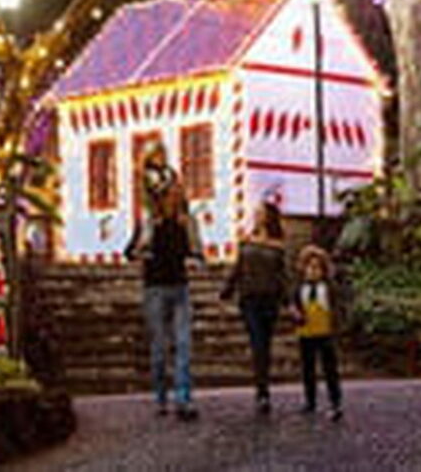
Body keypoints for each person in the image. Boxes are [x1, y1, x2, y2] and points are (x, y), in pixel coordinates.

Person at [124, 141, 204, 421]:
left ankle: (183, 399)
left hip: (179, 287)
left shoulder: (184, 224)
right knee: (159, 348)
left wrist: (195, 256)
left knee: (184, 346)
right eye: (171, 195)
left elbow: (194, 252)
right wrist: (140, 251)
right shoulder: (149, 224)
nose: (176, 199)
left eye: (177, 195)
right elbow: (129, 253)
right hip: (155, 288)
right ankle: (160, 396)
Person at [220, 200, 289, 414]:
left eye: (260, 213)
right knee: (257, 342)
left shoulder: (278, 244)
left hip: (269, 298)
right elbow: (239, 267)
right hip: (249, 298)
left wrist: (289, 301)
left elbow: (282, 276)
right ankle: (262, 392)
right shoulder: (247, 240)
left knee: (265, 345)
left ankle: (263, 387)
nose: (257, 216)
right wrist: (228, 289)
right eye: (256, 212)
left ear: (269, 216)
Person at [292, 244, 343, 421]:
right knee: (308, 368)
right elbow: (295, 306)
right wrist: (296, 314)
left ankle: (335, 401)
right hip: (306, 332)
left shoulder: (329, 288)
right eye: (309, 267)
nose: (313, 271)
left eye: (317, 268)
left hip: (325, 332)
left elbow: (336, 308)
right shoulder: (300, 289)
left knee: (330, 368)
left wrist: (336, 327)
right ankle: (310, 400)